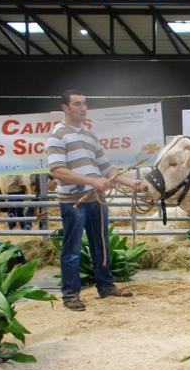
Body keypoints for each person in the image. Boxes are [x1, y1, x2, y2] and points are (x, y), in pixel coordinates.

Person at [45, 89, 143, 311]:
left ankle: (106, 286)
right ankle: (70, 294)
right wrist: (93, 181)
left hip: (95, 200)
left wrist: (132, 183)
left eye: (85, 104)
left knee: (102, 245)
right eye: (78, 104)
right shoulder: (57, 135)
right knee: (72, 247)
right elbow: (58, 171)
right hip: (74, 201)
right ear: (65, 108)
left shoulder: (89, 136)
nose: (83, 108)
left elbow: (107, 168)